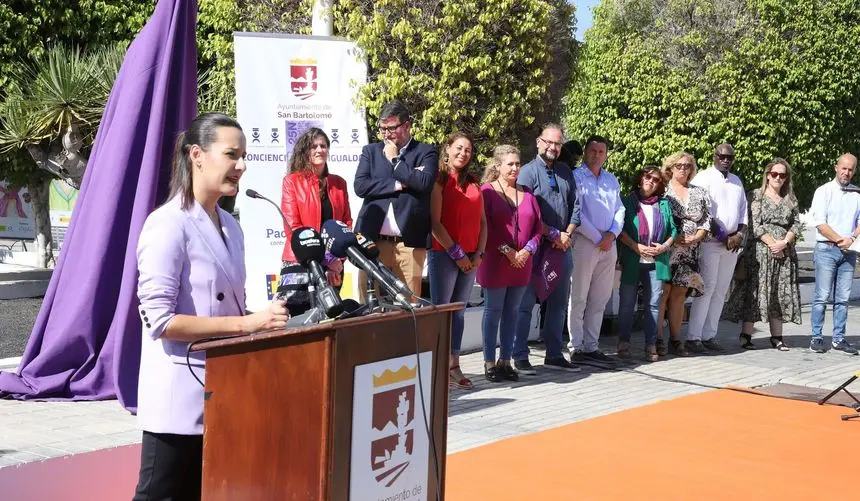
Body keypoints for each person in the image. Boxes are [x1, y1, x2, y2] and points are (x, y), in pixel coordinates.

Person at [133, 113, 289, 500]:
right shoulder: (167, 224)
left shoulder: (231, 227)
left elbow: (229, 309)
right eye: (231, 155)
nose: (241, 166)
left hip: (224, 389)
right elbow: (161, 321)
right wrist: (247, 325)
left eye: (244, 156)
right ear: (197, 155)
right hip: (177, 397)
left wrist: (266, 318)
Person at [512, 124, 581, 374]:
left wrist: (567, 234)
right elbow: (526, 214)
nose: (553, 147)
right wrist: (553, 234)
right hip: (536, 248)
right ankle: (519, 355)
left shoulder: (565, 172)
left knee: (559, 303)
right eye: (549, 142)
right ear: (539, 142)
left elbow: (576, 206)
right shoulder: (527, 173)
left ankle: (554, 354)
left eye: (558, 144)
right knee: (525, 304)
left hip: (562, 248)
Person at [354, 100, 438, 298]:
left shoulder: (426, 152)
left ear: (406, 125)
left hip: (408, 243)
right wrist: (399, 183)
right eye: (382, 129)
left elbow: (424, 183)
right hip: (373, 241)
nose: (386, 134)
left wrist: (395, 161)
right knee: (369, 305)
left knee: (409, 306)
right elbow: (361, 186)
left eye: (391, 128)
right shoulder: (371, 152)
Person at [478, 145, 543, 382]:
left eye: (517, 164)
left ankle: (506, 360)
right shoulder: (487, 192)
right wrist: (508, 252)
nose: (515, 168)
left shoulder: (527, 194)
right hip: (496, 261)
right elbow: (487, 228)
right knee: (493, 310)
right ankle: (489, 362)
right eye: (510, 164)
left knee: (512, 312)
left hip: (521, 263)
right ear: (498, 166)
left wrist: (526, 251)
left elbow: (538, 228)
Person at [723, 159, 801, 350]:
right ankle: (746, 335)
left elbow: (796, 224)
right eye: (774, 174)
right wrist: (774, 244)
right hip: (760, 252)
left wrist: (784, 243)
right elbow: (755, 226)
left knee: (778, 293)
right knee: (755, 292)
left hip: (784, 253)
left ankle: (777, 337)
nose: (778, 178)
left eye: (782, 175)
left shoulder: (790, 199)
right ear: (767, 175)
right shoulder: (756, 196)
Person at [429, 132, 486, 389]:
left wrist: (478, 255)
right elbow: (435, 223)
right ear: (448, 149)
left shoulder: (474, 182)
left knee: (459, 313)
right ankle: (436, 366)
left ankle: (453, 364)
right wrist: (458, 254)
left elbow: (483, 222)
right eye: (459, 148)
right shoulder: (439, 179)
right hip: (444, 255)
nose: (464, 153)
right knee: (441, 312)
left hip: (471, 258)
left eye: (468, 150)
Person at [686, 143, 747, 353]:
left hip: (731, 246)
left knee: (721, 291)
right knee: (707, 288)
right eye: (721, 156)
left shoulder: (736, 181)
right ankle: (693, 338)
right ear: (714, 156)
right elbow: (700, 212)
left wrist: (738, 235)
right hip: (710, 243)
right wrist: (722, 236)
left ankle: (709, 335)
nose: (725, 160)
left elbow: (743, 213)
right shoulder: (703, 178)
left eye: (729, 157)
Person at [569, 135, 625, 364]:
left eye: (601, 152)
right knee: (579, 296)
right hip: (585, 242)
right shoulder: (576, 177)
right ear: (585, 152)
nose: (597, 155)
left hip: (608, 243)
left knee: (600, 298)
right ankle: (576, 347)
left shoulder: (611, 180)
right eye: (593, 150)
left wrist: (611, 234)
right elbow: (576, 212)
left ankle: (592, 346)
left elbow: (619, 209)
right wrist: (597, 237)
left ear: (606, 154)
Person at [616, 167, 677, 361]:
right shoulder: (626, 201)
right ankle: (623, 343)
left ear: (660, 185)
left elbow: (674, 231)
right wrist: (636, 247)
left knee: (654, 306)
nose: (651, 181)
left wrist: (664, 247)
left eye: (657, 180)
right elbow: (620, 230)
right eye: (648, 177)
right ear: (641, 177)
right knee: (626, 305)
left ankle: (651, 345)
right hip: (633, 259)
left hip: (656, 261)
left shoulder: (664, 204)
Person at [280, 127, 352, 286]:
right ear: (305, 151)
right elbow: (293, 228)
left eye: (323, 146)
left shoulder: (339, 183)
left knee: (333, 311)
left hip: (334, 268)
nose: (320, 150)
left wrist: (337, 260)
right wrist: (326, 259)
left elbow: (346, 225)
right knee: (298, 311)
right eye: (314, 146)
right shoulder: (291, 181)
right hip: (301, 261)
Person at [657, 152, 710, 357]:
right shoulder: (663, 191)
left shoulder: (700, 192)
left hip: (689, 251)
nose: (684, 169)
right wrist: (673, 236)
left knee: (679, 295)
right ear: (670, 167)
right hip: (667, 248)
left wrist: (696, 237)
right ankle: (658, 338)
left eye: (688, 166)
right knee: (663, 293)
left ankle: (676, 339)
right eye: (679, 165)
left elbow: (706, 221)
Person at [808, 153, 860, 355]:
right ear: (836, 167)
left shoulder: (857, 194)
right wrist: (841, 240)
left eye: (850, 169)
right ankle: (816, 337)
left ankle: (839, 339)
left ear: (854, 171)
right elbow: (820, 224)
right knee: (821, 296)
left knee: (843, 298)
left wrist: (852, 239)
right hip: (827, 250)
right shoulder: (824, 191)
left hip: (848, 252)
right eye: (843, 168)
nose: (846, 172)